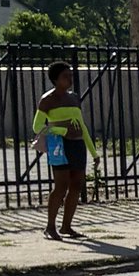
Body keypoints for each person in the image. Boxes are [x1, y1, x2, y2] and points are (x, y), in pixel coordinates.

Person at [33, 61, 97, 240]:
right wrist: (62, 130)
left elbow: (81, 125)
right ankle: (50, 226)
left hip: (77, 145)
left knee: (76, 185)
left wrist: (94, 152)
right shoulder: (48, 99)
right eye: (65, 76)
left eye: (70, 75)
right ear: (55, 79)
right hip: (59, 145)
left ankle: (66, 226)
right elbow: (37, 126)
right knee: (61, 186)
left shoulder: (74, 98)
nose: (69, 79)